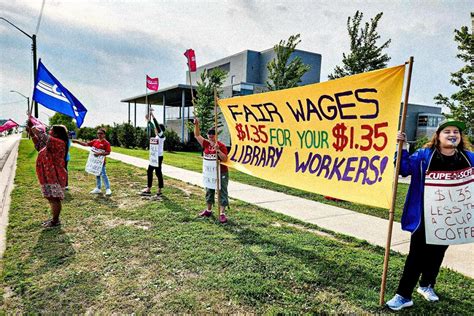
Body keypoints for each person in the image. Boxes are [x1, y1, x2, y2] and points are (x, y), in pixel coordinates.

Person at [386, 119, 473, 311]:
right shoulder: (425, 155)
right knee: (416, 256)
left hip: (450, 218)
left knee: (437, 254)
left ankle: (426, 285)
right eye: (447, 131)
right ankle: (403, 295)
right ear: (438, 136)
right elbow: (403, 169)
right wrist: (401, 147)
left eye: (456, 132)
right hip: (424, 216)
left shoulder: (468, 158)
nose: (452, 135)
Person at [26, 118, 69, 227]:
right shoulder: (51, 143)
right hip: (48, 175)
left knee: (54, 198)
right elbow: (39, 145)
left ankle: (55, 221)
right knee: (50, 197)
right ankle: (54, 219)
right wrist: (31, 134)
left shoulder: (59, 142)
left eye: (51, 130)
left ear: (56, 133)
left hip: (54, 175)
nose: (49, 131)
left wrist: (32, 126)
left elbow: (42, 136)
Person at [193, 118, 229, 223]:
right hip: (210, 173)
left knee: (222, 192)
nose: (210, 136)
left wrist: (217, 150)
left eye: (213, 134)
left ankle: (222, 213)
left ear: (216, 135)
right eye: (209, 134)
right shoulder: (206, 144)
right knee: (209, 191)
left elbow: (225, 159)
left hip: (221, 172)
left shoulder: (221, 145)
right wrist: (197, 124)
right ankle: (208, 210)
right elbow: (197, 135)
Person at [72, 128, 112, 196]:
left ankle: (108, 189)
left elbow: (108, 152)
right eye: (98, 133)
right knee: (97, 174)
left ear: (104, 135)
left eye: (101, 133)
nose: (99, 135)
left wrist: (99, 154)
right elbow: (86, 144)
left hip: (101, 163)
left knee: (103, 174)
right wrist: (77, 141)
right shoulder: (95, 141)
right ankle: (98, 188)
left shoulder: (106, 143)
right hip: (94, 162)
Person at [140, 111, 166, 197]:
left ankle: (151, 189)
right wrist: (148, 120)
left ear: (160, 130)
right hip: (155, 157)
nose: (155, 129)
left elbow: (156, 126)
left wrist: (152, 116)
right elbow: (152, 126)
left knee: (154, 172)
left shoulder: (161, 136)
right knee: (155, 172)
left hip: (158, 158)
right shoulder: (157, 137)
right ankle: (156, 189)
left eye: (156, 129)